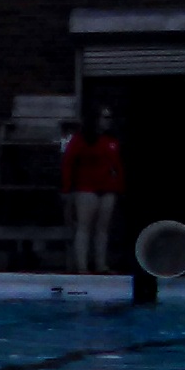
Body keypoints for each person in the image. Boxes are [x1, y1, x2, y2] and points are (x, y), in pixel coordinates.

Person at [62, 104, 124, 274]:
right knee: (84, 227)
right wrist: (67, 189)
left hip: (107, 187)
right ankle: (82, 265)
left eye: (109, 118)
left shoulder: (112, 140)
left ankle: (101, 264)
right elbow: (68, 162)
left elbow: (117, 165)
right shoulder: (80, 139)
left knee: (102, 229)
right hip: (86, 187)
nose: (108, 121)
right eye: (105, 117)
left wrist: (118, 186)